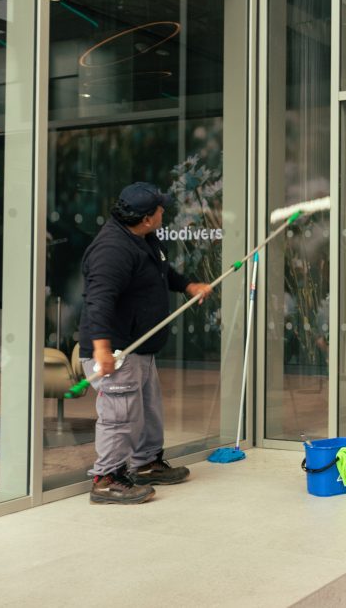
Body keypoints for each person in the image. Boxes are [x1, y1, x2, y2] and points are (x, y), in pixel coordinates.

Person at [78, 182, 212, 504]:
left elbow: (163, 272)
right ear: (147, 218)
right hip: (117, 350)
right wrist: (101, 350)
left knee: (148, 411)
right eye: (160, 209)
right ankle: (106, 479)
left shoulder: (143, 237)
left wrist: (189, 286)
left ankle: (147, 463)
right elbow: (98, 301)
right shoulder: (112, 250)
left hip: (142, 348)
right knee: (120, 415)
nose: (164, 211)